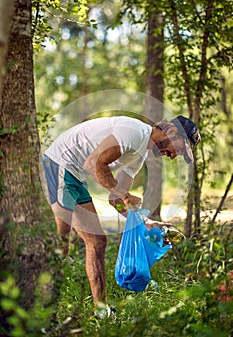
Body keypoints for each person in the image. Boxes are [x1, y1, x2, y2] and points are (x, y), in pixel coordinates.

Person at [42, 115, 201, 306]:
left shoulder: (138, 156)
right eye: (179, 149)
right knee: (60, 244)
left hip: (75, 175)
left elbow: (114, 199)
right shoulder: (133, 132)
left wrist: (145, 222)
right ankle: (39, 306)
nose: (174, 155)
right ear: (172, 132)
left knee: (97, 241)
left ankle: (101, 310)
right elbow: (94, 164)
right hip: (59, 164)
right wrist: (125, 196)